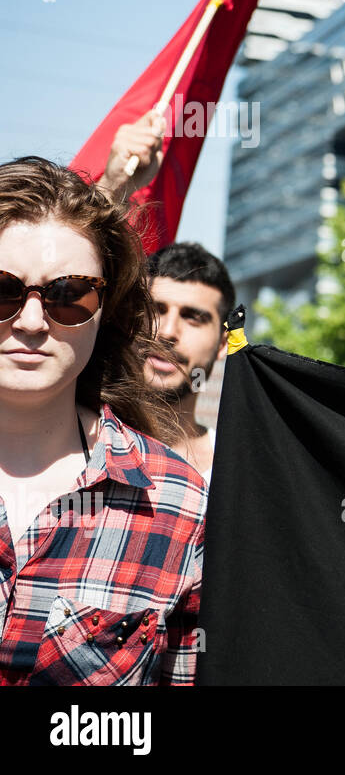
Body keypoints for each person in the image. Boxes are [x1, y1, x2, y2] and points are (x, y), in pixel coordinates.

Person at [0, 156, 205, 684]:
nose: (30, 320)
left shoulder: (180, 506)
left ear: (106, 310)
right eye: (2, 290)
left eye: (68, 296)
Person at [142, 242, 234, 483]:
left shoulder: (240, 476)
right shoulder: (75, 445)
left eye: (193, 318)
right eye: (155, 310)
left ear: (222, 345)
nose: (167, 332)